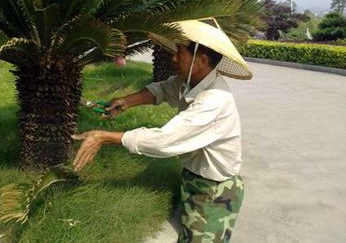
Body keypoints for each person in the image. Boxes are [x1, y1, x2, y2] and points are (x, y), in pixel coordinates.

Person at [72, 19, 252, 243]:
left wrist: (105, 137)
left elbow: (164, 141)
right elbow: (164, 89)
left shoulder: (214, 101)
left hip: (216, 190)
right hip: (194, 178)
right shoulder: (191, 81)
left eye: (180, 52)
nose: (173, 58)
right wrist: (127, 101)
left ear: (202, 60)